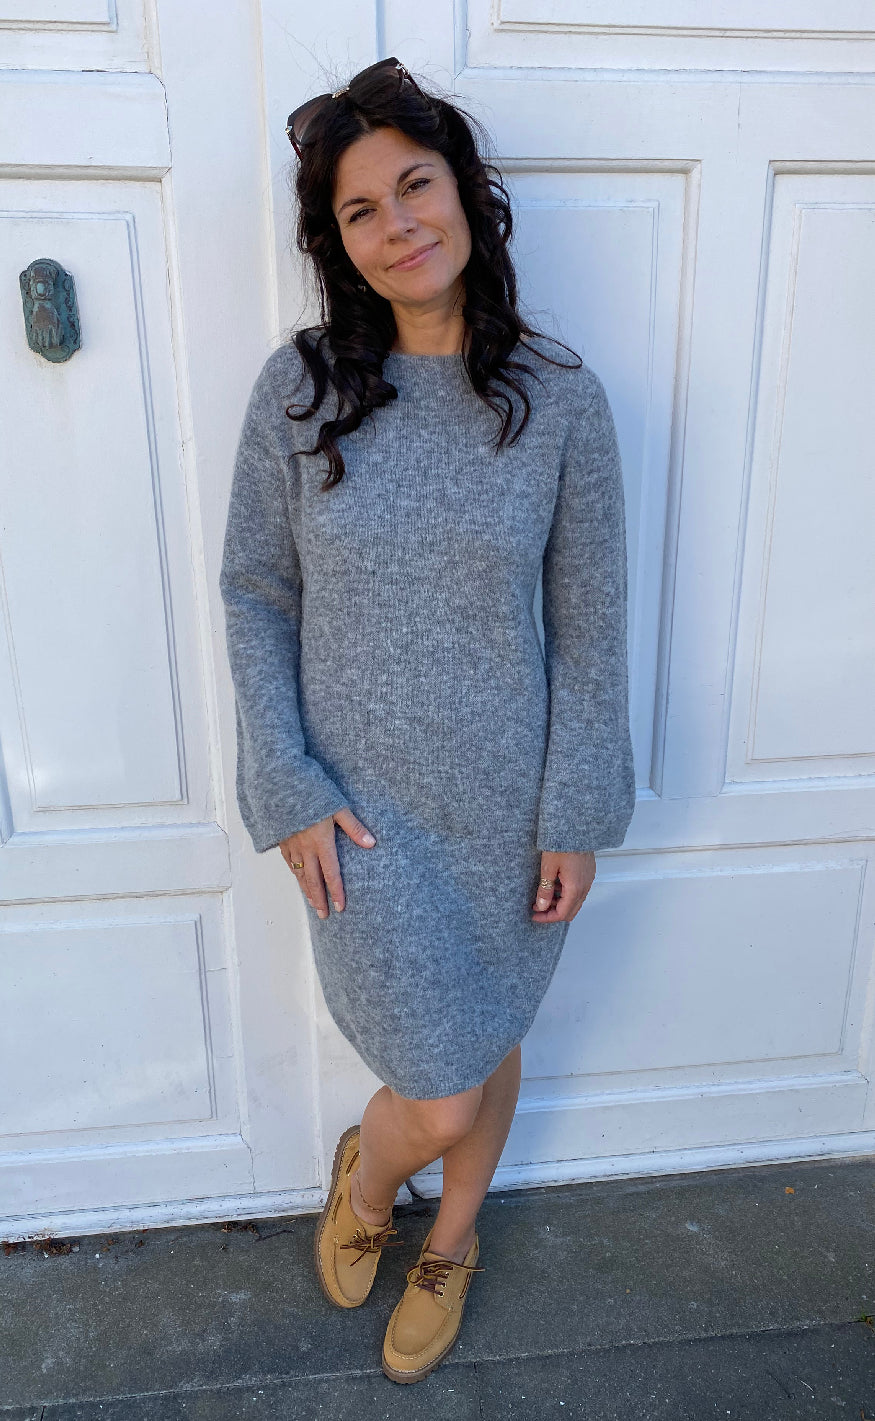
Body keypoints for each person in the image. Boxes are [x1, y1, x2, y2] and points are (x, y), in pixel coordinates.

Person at [219, 56, 636, 1384]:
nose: (399, 223)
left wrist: (576, 810)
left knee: (489, 1031)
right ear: (337, 242)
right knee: (439, 1088)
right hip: (362, 815)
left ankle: (450, 1238)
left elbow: (592, 626)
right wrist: (286, 784)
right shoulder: (299, 394)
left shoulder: (561, 401)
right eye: (362, 209)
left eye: (416, 184)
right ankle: (368, 1183)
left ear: (465, 192)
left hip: (512, 810)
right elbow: (254, 592)